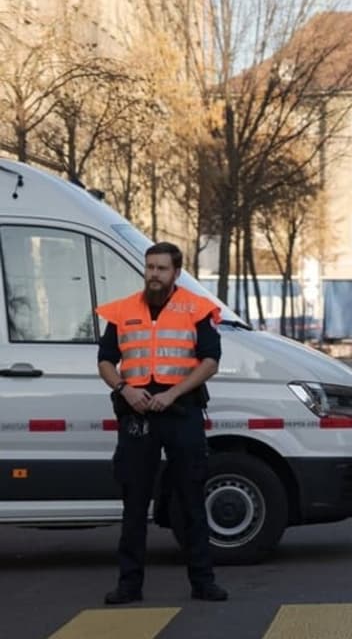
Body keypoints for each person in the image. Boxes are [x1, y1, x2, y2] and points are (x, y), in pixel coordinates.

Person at [96, 241, 228, 605]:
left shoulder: (196, 309)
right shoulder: (123, 311)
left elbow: (210, 361)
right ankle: (129, 586)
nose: (153, 274)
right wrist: (125, 389)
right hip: (137, 412)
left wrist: (172, 394)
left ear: (176, 273)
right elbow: (106, 360)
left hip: (180, 410)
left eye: (161, 269)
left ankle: (203, 582)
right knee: (135, 503)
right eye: (149, 267)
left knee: (190, 500)